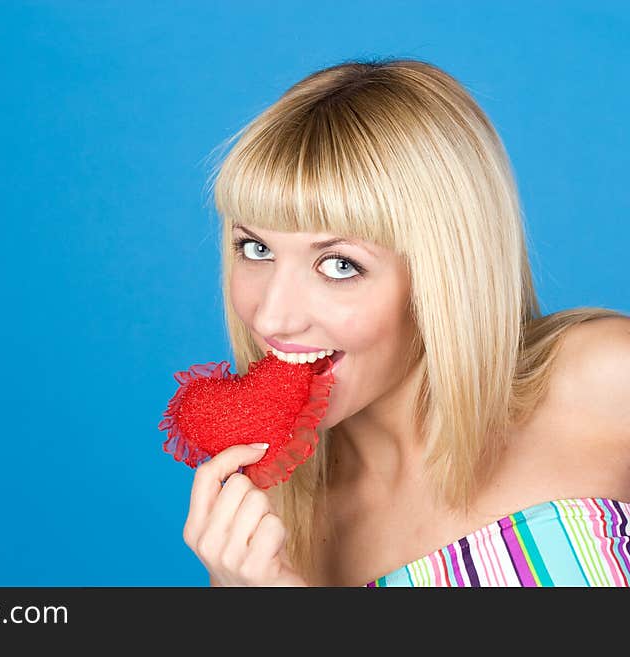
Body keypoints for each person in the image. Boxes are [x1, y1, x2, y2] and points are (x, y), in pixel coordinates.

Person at [181, 57, 630, 587]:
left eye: (340, 264)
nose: (273, 316)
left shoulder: (605, 384)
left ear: (443, 275)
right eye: (255, 248)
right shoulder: (269, 528)